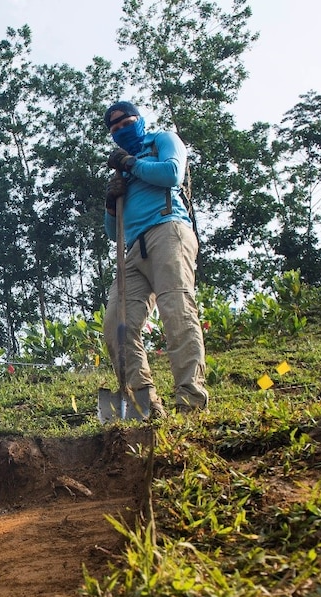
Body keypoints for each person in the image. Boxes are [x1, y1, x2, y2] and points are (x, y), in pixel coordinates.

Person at [102, 101, 208, 416]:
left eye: (126, 121)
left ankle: (190, 400)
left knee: (176, 311)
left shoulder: (161, 140)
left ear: (141, 120)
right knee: (116, 326)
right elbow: (112, 231)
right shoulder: (121, 166)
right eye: (114, 128)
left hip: (168, 231)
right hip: (132, 250)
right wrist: (111, 201)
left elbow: (172, 174)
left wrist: (132, 164)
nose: (121, 129)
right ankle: (144, 405)